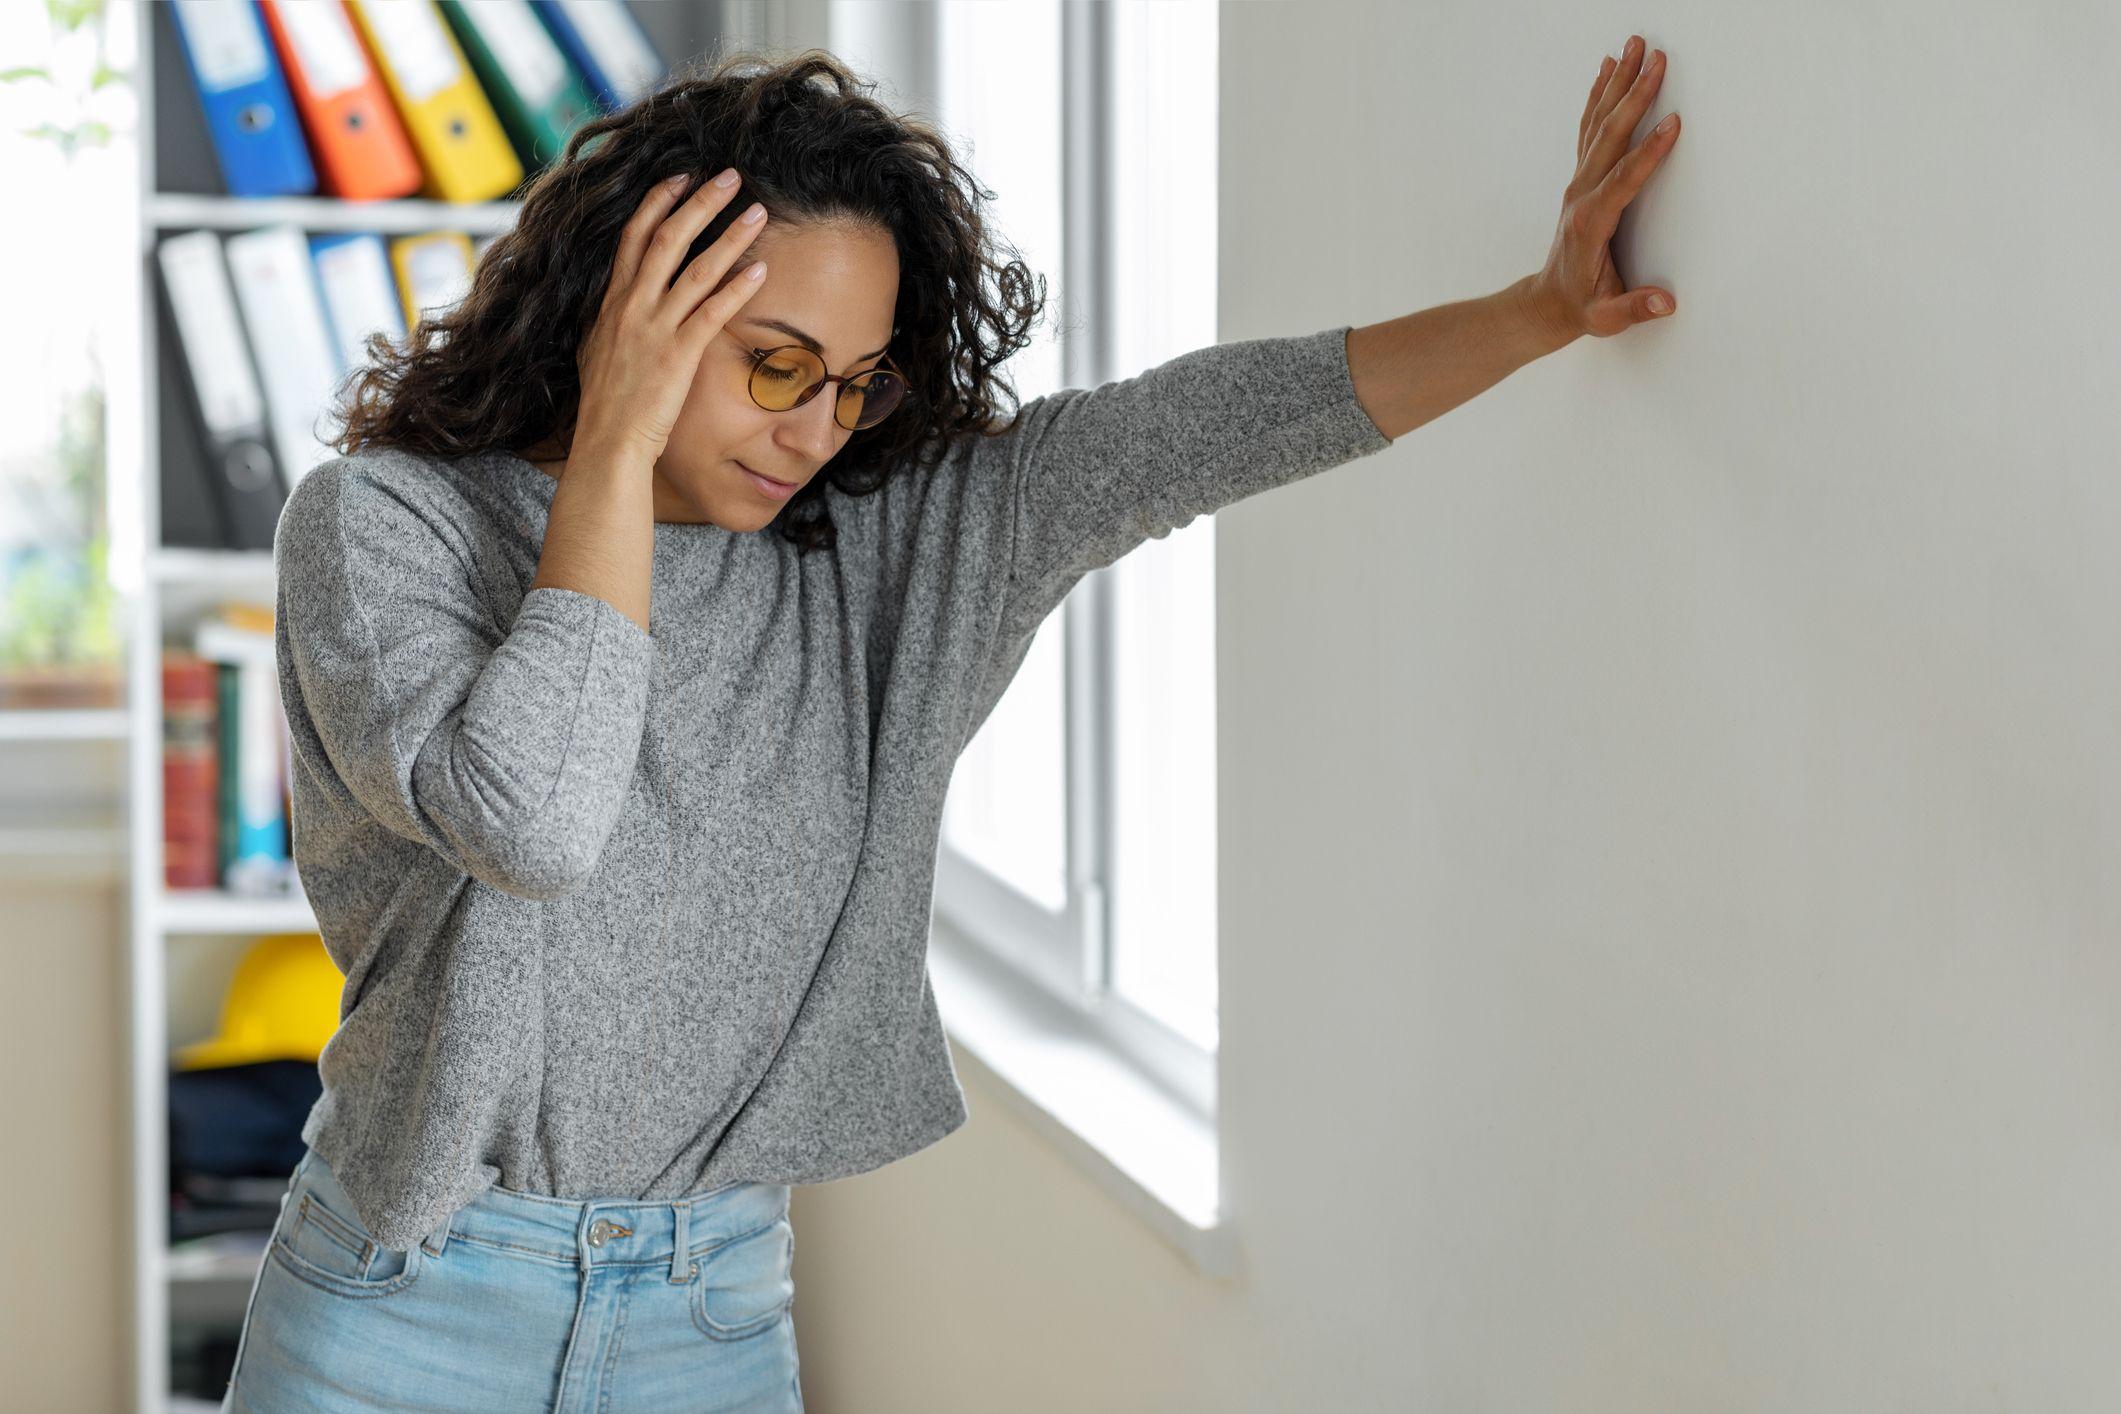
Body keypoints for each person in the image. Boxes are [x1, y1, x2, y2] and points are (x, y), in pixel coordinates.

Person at [221, 33, 1679, 1414]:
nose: (813, 430)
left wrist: (1536, 309)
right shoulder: (381, 527)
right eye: (772, 364)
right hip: (404, 1305)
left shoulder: (884, 547)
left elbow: (1197, 426)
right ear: (624, 312)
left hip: (704, 1313)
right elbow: (532, 820)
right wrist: (613, 441)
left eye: (855, 385)